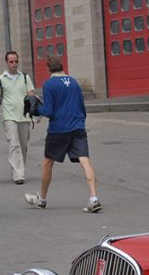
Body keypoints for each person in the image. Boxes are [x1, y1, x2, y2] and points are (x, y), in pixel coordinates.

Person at [25, 56, 101, 213]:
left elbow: (49, 111)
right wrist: (80, 122)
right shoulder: (73, 82)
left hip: (58, 129)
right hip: (78, 127)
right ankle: (93, 198)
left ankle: (42, 199)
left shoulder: (49, 84)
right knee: (85, 161)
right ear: (62, 67)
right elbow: (82, 107)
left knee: (48, 163)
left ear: (48, 69)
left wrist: (36, 110)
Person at [0, 51, 35, 185]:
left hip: (23, 116)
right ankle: (18, 174)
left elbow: (30, 95)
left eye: (16, 61)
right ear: (7, 62)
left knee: (23, 146)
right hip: (9, 115)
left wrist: (34, 111)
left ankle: (19, 168)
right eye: (11, 62)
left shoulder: (25, 77)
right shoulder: (0, 79)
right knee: (14, 144)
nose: (14, 64)